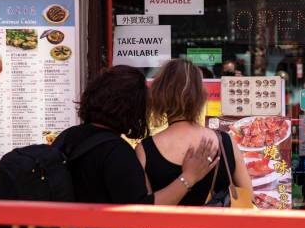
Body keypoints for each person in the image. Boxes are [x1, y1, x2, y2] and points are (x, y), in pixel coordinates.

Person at [58, 65, 217, 206]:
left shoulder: (68, 136)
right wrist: (188, 177)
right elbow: (141, 211)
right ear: (132, 108)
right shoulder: (116, 152)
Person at [136, 59, 253, 206]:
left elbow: (144, 210)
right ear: (200, 97)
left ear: (159, 95)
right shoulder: (225, 141)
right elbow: (248, 198)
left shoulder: (145, 149)